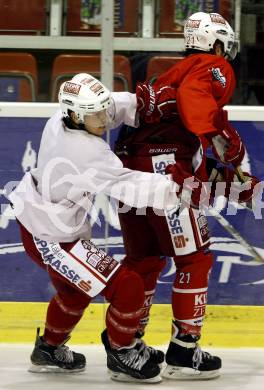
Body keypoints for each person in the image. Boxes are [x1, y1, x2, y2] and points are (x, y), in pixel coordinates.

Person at [9, 73, 186, 383]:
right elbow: (131, 186)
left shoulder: (63, 117)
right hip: (51, 238)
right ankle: (122, 352)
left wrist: (140, 103)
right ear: (75, 115)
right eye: (96, 114)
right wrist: (180, 186)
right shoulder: (86, 152)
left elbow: (110, 107)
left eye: (103, 111)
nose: (104, 119)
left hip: (46, 224)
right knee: (127, 286)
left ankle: (48, 350)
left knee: (73, 294)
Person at [115, 12, 259, 380]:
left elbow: (177, 145)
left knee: (143, 260)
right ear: (216, 43)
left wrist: (229, 180)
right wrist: (226, 142)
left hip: (131, 171)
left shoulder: (170, 73)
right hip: (166, 175)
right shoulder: (213, 65)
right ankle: (183, 350)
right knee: (194, 259)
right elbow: (197, 111)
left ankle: (127, 348)